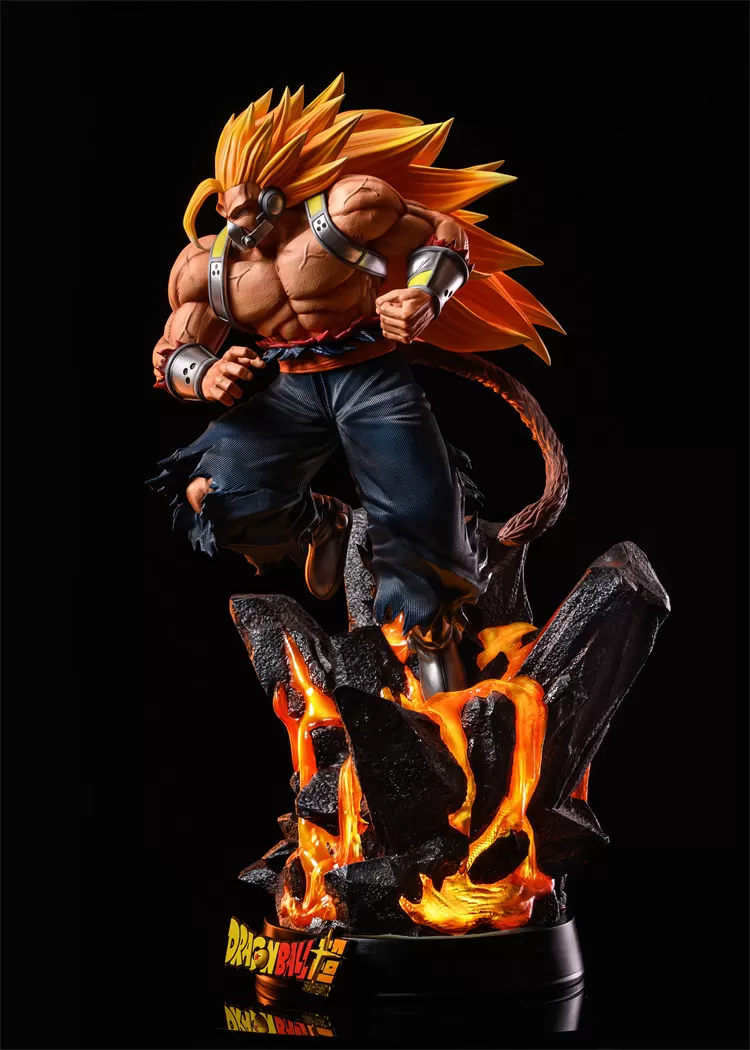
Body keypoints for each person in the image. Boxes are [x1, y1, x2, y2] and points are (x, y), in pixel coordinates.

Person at [148, 75, 561, 697]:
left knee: (421, 529)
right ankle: (321, 525)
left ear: (283, 188)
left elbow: (443, 233)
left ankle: (435, 654)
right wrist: (204, 374)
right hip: (289, 390)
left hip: (370, 379)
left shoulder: (347, 209)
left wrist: (425, 296)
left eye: (252, 204)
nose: (240, 222)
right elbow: (171, 351)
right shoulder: (207, 263)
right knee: (209, 493)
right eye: (226, 208)